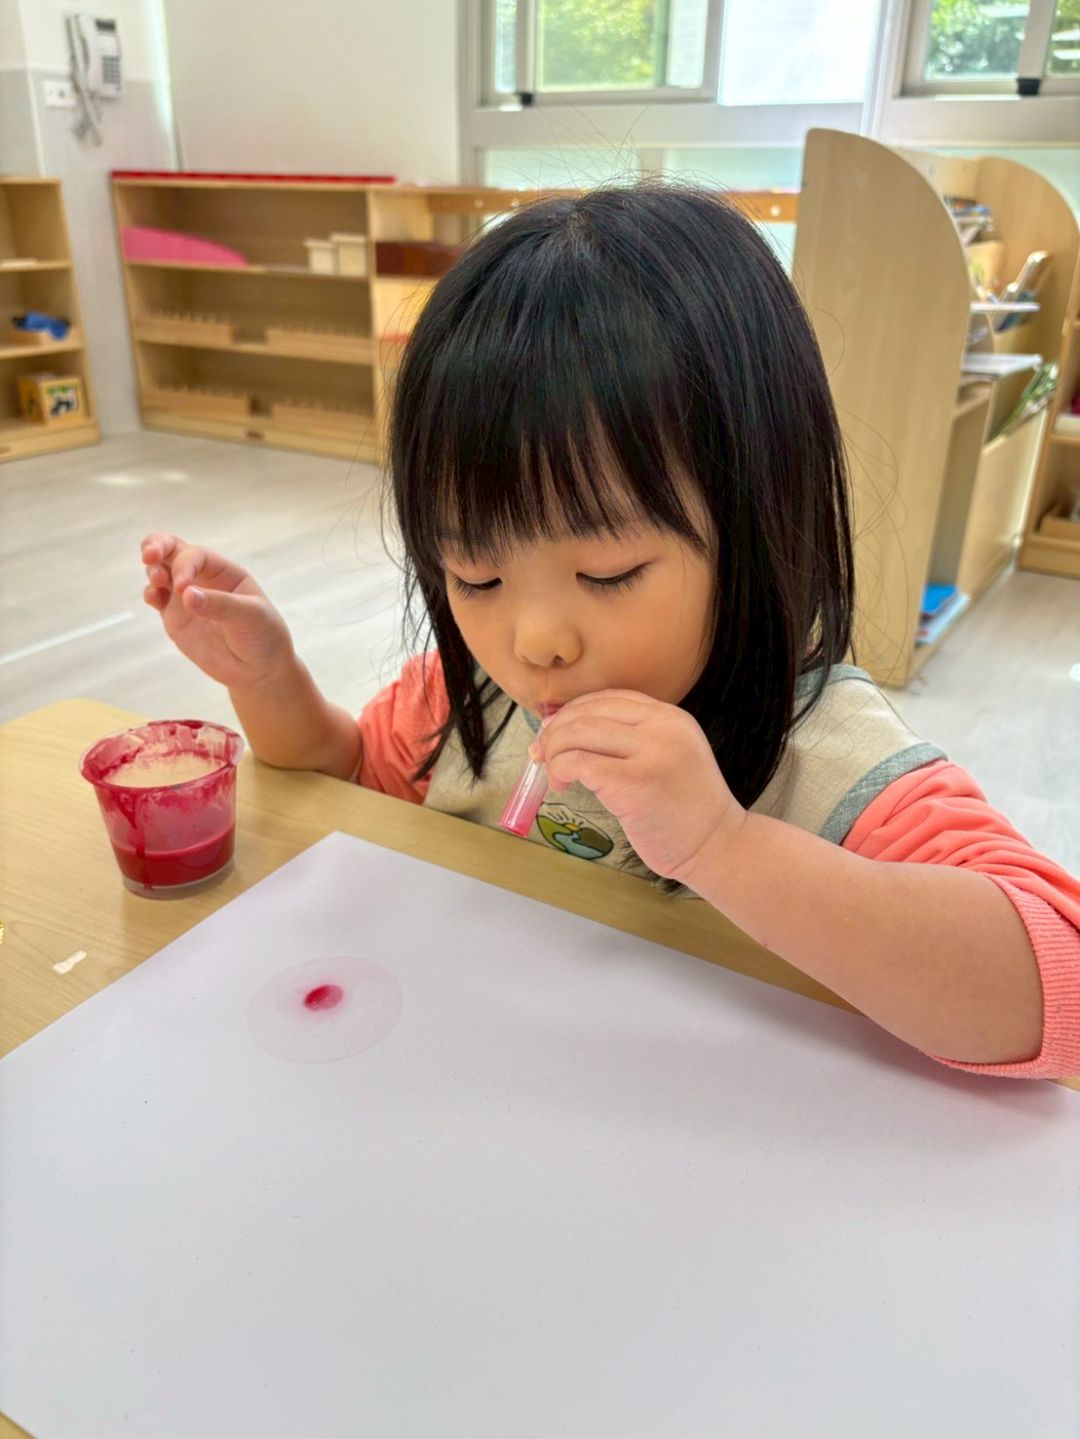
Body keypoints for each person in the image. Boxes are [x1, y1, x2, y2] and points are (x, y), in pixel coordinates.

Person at [141, 183, 1080, 1080]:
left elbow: (1054, 992)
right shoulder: (469, 698)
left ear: (758, 519)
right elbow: (349, 782)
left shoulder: (827, 753)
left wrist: (723, 844)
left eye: (608, 573)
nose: (535, 639)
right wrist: (268, 679)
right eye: (477, 576)